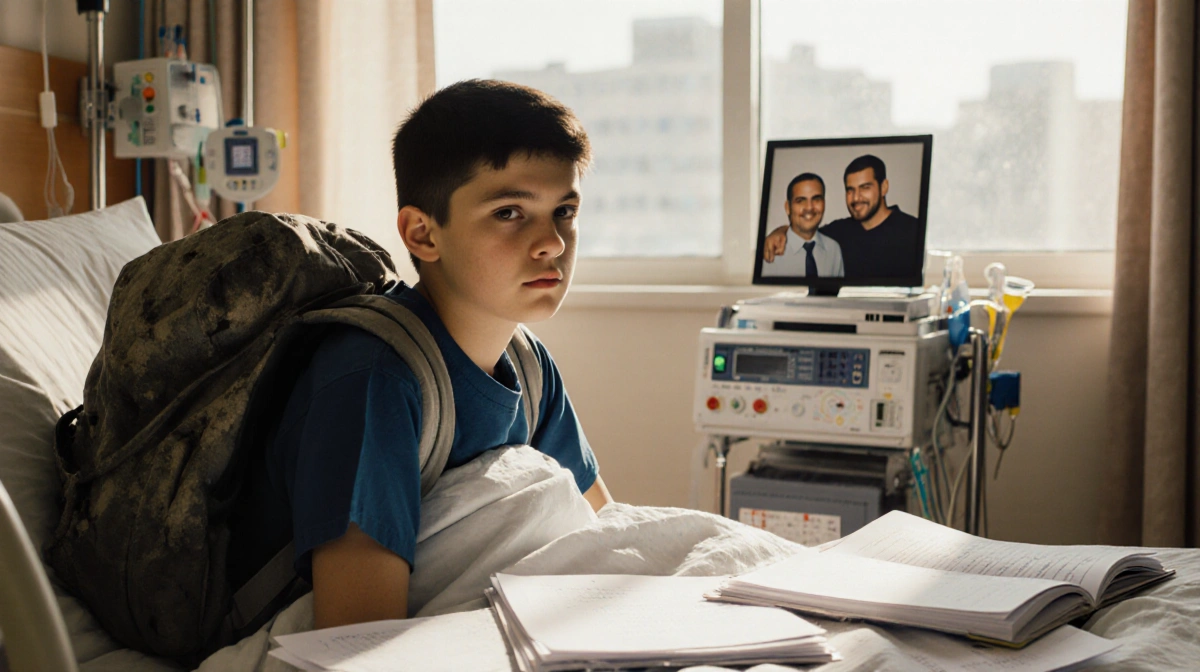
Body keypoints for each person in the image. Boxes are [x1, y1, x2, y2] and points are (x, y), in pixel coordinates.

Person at [227, 79, 613, 630]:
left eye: (565, 211)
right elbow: (356, 637)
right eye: (509, 212)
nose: (553, 241)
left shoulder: (528, 367)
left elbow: (605, 535)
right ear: (422, 234)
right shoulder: (373, 380)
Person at [762, 154, 922, 279]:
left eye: (865, 187)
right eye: (850, 190)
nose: (856, 198)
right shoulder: (839, 232)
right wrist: (780, 232)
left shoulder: (913, 231)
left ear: (884, 187)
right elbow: (805, 229)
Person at [761, 172, 844, 278]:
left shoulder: (833, 249)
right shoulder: (769, 251)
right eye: (800, 201)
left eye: (816, 199)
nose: (809, 207)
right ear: (788, 208)